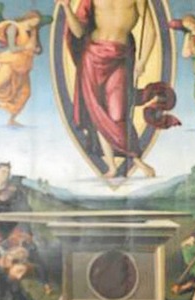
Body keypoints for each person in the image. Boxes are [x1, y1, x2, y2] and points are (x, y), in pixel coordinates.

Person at [56, 0, 178, 178]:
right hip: (92, 56)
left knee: (117, 113)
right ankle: (113, 166)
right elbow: (79, 32)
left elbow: (151, 28)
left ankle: (136, 160)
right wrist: (67, 7)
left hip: (121, 56)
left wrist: (143, 60)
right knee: (98, 111)